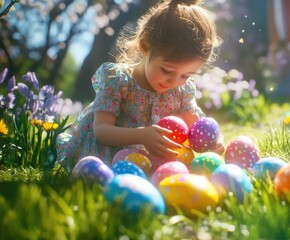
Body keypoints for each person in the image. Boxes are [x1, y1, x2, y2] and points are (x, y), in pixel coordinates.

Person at [56, 0, 224, 172]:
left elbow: (197, 127)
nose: (174, 81)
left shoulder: (182, 90)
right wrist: (142, 135)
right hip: (105, 152)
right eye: (167, 70)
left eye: (186, 75)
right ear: (145, 47)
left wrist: (212, 142)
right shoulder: (118, 80)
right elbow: (101, 131)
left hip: (143, 158)